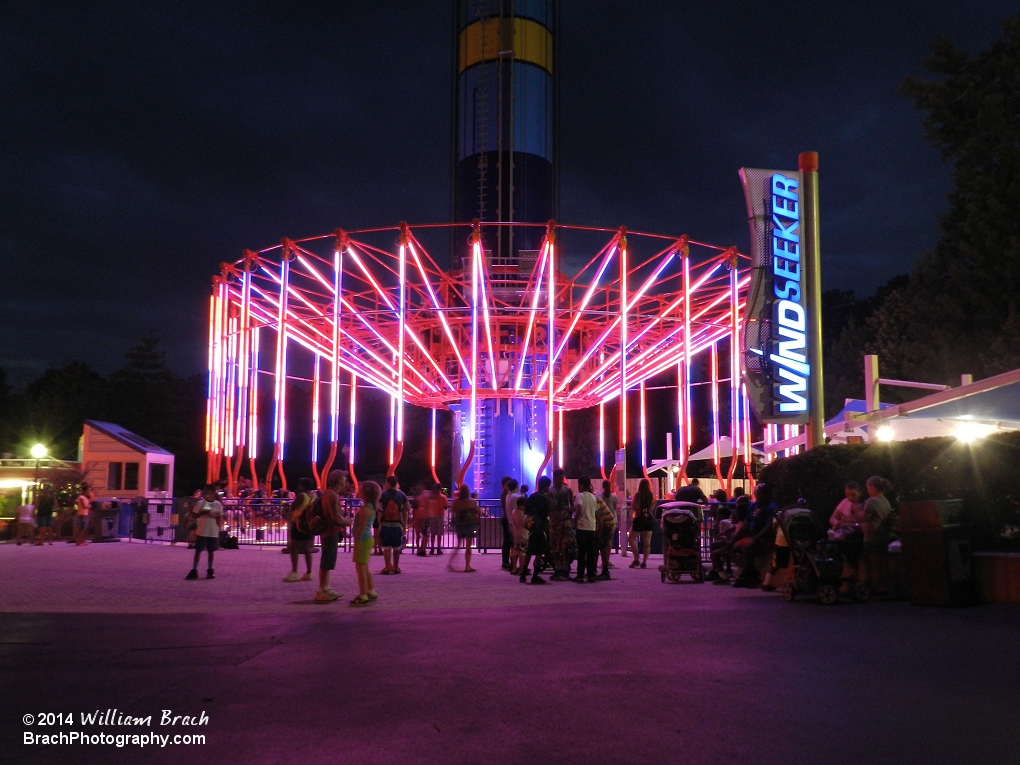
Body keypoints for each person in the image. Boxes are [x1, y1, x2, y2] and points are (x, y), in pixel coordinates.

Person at [862, 476, 895, 597]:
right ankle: (885, 588)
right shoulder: (886, 501)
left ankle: (874, 589)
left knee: (873, 564)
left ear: (871, 487)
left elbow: (864, 518)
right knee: (883, 563)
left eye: (867, 487)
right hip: (883, 535)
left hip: (872, 535)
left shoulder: (871, 501)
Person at [350, 480, 380, 606]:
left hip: (363, 539)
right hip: (367, 538)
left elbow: (361, 528)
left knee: (360, 568)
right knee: (364, 566)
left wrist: (357, 541)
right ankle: (370, 590)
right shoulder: (371, 507)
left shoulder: (365, 509)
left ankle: (363, 595)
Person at [186, 484, 222, 580]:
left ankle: (210, 570)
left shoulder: (217, 504)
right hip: (202, 529)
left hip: (212, 530)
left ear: (213, 493)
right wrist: (201, 512)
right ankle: (194, 570)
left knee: (211, 551)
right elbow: (194, 515)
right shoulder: (201, 503)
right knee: (198, 550)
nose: (206, 495)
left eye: (208, 493)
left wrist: (219, 528)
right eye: (205, 493)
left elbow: (220, 517)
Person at [520, 476, 552, 584]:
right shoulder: (545, 498)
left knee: (529, 551)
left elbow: (526, 511)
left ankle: (523, 574)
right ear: (546, 486)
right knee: (539, 552)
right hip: (541, 527)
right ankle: (535, 575)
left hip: (532, 527)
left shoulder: (532, 497)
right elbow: (548, 512)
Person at [284, 478, 316, 582]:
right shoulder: (314, 496)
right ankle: (309, 572)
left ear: (303, 486)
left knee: (294, 547)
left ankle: (294, 571)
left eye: (300, 484)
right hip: (309, 523)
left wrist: (285, 507)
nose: (298, 486)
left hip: (298, 523)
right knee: (307, 549)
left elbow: (293, 509)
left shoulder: (302, 496)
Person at [378, 475, 410, 575]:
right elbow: (408, 508)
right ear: (396, 483)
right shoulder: (402, 495)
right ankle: (396, 567)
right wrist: (400, 512)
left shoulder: (382, 494)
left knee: (386, 547)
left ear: (387, 483)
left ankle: (387, 567)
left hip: (386, 524)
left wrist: (379, 524)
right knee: (397, 547)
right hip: (397, 525)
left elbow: (378, 509)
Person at [548, 468, 576, 581]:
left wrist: (568, 510)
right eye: (559, 478)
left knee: (565, 547)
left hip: (565, 522)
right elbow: (550, 508)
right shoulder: (551, 491)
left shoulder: (567, 490)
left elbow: (572, 506)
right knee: (555, 547)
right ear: (554, 478)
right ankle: (557, 569)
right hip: (555, 522)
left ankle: (564, 569)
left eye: (562, 478)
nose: (560, 480)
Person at [572, 476, 599, 583]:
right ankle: (591, 575)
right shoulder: (593, 497)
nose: (578, 487)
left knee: (582, 552)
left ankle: (580, 575)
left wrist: (574, 521)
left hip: (582, 527)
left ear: (582, 485)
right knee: (591, 552)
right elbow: (596, 513)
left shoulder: (580, 496)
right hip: (591, 527)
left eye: (579, 484)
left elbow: (578, 509)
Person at [449, 485, 481, 573]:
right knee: (468, 546)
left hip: (460, 524)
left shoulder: (456, 502)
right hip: (470, 524)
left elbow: (452, 510)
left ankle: (450, 562)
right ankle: (467, 566)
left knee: (458, 545)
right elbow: (478, 511)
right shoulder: (472, 502)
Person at [628, 478, 656, 568]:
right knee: (647, 541)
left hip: (639, 519)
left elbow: (634, 506)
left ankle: (636, 559)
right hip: (648, 519)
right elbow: (652, 508)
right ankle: (644, 562)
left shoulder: (637, 495)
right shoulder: (652, 496)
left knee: (631, 539)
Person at [595, 483, 618, 579]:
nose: (608, 488)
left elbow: (599, 517)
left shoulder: (612, 497)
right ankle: (605, 563)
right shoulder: (599, 497)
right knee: (605, 544)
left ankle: (606, 564)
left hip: (608, 522)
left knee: (606, 544)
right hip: (609, 520)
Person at [510, 494, 529, 576]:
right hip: (523, 534)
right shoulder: (522, 514)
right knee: (523, 552)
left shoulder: (514, 512)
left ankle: (514, 568)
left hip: (516, 533)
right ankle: (521, 569)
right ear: (521, 505)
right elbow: (525, 524)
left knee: (516, 550)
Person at [499, 475, 513, 570]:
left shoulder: (505, 494)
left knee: (508, 541)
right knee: (508, 541)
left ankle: (507, 561)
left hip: (506, 518)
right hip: (507, 519)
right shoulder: (506, 494)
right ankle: (506, 562)